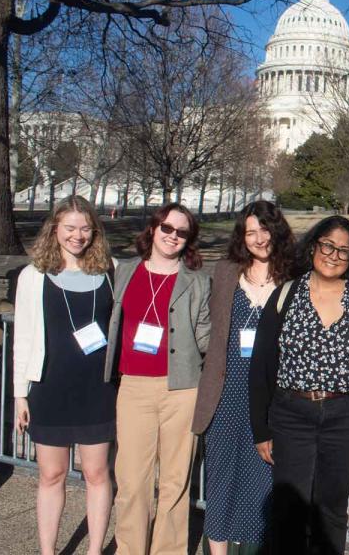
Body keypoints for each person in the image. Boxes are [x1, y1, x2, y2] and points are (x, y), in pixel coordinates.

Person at [249, 216, 349, 554]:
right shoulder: (286, 294)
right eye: (327, 245)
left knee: (332, 508)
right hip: (291, 414)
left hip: (342, 415)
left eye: (344, 250)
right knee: (290, 507)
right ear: (314, 246)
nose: (333, 255)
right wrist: (261, 429)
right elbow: (260, 365)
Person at [104, 203, 211, 555]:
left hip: (181, 388)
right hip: (133, 386)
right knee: (132, 481)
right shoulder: (124, 271)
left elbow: (206, 337)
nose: (173, 236)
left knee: (174, 481)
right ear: (153, 228)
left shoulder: (197, 282)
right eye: (167, 228)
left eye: (182, 232)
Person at [13, 196, 116, 555]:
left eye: (85, 228)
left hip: (97, 391)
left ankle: (94, 550)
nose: (78, 235)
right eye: (70, 227)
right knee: (51, 475)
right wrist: (19, 394)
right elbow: (23, 337)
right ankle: (47, 550)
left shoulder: (110, 270)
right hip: (49, 390)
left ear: (95, 231)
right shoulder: (33, 276)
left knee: (97, 475)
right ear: (54, 228)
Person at [193, 201, 294, 553]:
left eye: (264, 230)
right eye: (250, 232)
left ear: (276, 231)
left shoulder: (292, 278)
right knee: (220, 478)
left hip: (269, 395)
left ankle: (253, 547)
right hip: (225, 391)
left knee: (260, 480)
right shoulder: (225, 272)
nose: (258, 238)